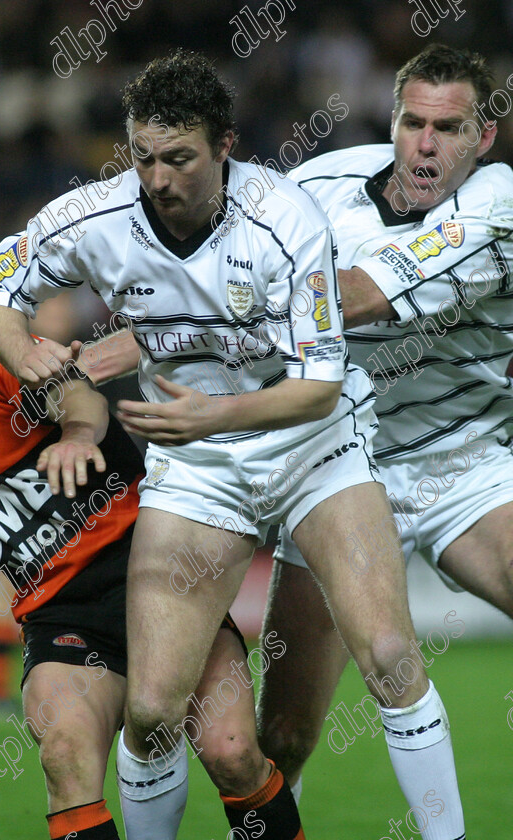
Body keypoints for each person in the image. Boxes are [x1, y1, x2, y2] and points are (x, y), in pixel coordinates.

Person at [0, 49, 466, 839]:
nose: (158, 179)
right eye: (143, 158)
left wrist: (211, 416)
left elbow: (321, 385)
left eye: (179, 159)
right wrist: (24, 349)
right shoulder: (96, 217)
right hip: (198, 472)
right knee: (155, 710)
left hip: (313, 450)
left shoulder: (285, 221)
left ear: (225, 146)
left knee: (388, 654)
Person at [257, 42, 513, 825]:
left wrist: (250, 301)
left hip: (462, 461)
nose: (427, 144)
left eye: (450, 127)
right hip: (335, 464)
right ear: (392, 120)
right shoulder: (319, 184)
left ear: (485, 137)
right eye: (413, 122)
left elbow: (363, 296)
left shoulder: (498, 205)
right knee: (285, 734)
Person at [0, 331, 271, 840]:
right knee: (64, 754)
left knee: (233, 754)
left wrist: (77, 433)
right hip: (59, 613)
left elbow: (78, 394)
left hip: (151, 565)